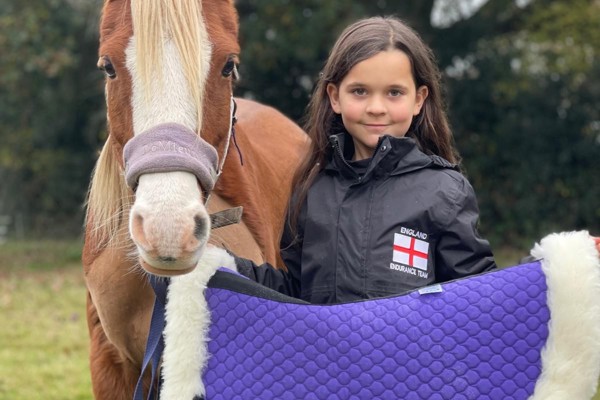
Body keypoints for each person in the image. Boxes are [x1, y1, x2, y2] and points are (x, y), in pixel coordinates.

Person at [230, 16, 497, 304]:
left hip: (410, 351)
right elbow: (294, 292)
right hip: (325, 351)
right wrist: (224, 267)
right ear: (335, 97)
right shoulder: (311, 190)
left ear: (418, 99)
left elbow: (478, 300)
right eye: (360, 91)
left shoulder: (444, 191)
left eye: (394, 93)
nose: (376, 108)